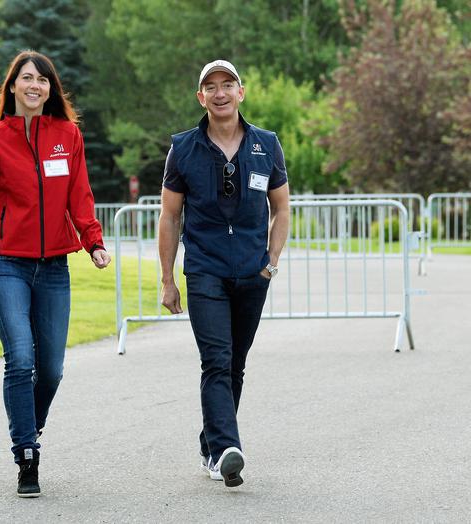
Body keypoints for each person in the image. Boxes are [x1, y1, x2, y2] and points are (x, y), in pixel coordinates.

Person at [0, 50, 110, 498]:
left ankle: (27, 427)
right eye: (27, 78)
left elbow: (79, 194)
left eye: (43, 80)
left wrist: (93, 241)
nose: (35, 85)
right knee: (20, 357)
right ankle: (26, 452)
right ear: (12, 86)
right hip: (6, 266)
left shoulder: (67, 135)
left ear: (50, 90)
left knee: (50, 370)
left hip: (54, 266)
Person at [158, 60, 290, 488]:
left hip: (253, 273)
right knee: (216, 360)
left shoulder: (266, 144)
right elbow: (169, 215)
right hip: (205, 270)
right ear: (201, 97)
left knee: (235, 364)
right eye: (210, 87)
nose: (219, 93)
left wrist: (270, 261)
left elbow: (282, 207)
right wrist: (167, 278)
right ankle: (226, 451)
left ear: (241, 92)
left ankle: (211, 442)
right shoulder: (183, 147)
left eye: (227, 85)